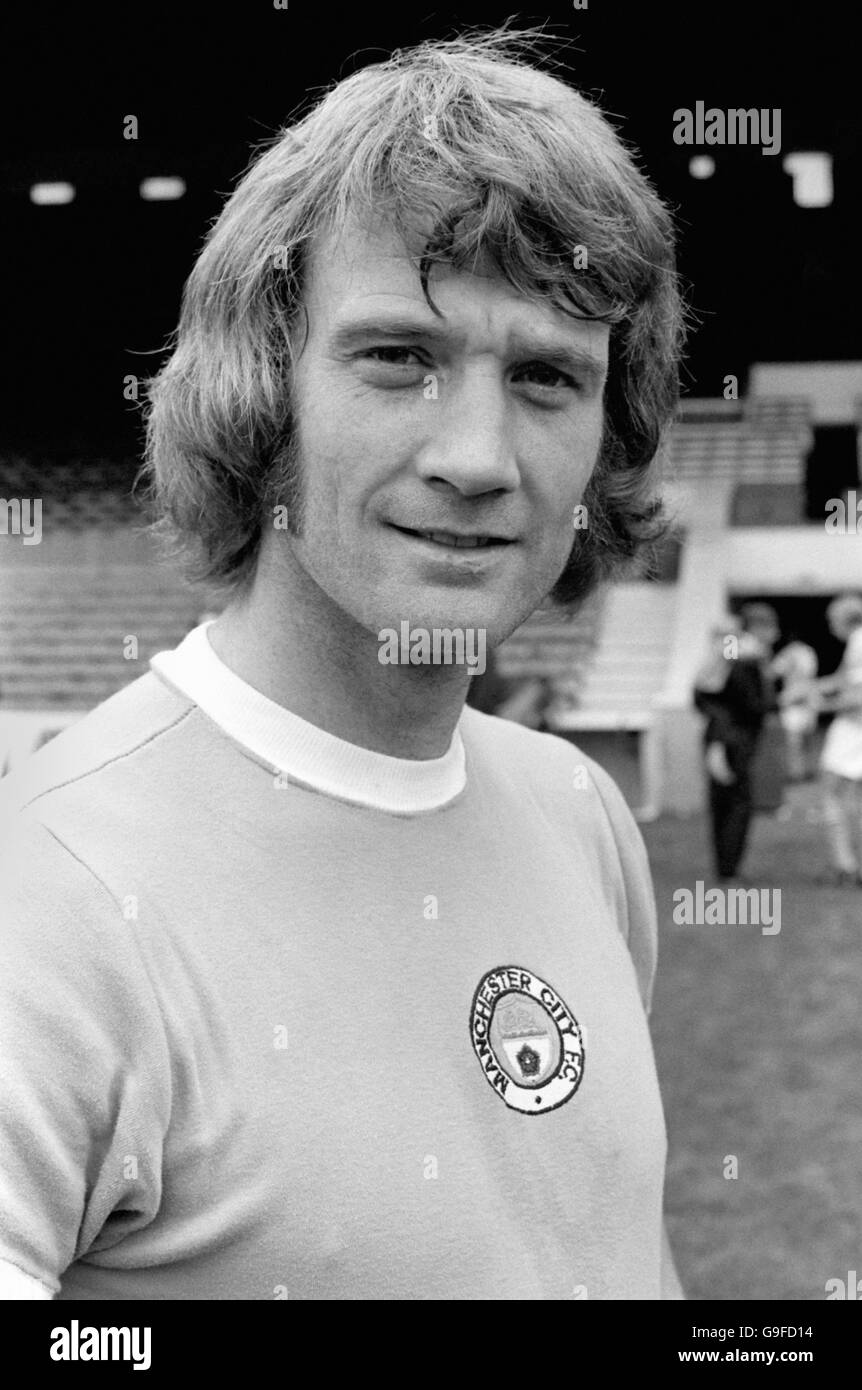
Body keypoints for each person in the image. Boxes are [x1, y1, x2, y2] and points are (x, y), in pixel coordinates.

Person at [0, 29, 686, 1300]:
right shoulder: (52, 894)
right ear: (264, 392)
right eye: (398, 359)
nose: (475, 456)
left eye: (545, 377)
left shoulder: (580, 816)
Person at [694, 606, 778, 881]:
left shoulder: (731, 655)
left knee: (725, 803)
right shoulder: (739, 654)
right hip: (731, 739)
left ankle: (726, 868)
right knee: (735, 804)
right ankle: (729, 869)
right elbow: (749, 699)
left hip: (723, 737)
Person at [815, 593, 862, 886]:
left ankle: (845, 864)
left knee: (832, 793)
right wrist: (815, 687)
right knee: (853, 799)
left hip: (853, 730)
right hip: (854, 728)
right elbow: (844, 679)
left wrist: (819, 705)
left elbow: (857, 695)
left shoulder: (859, 642)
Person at [770, 632, 819, 782]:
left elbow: (772, 673)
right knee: (802, 740)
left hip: (797, 698)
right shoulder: (807, 651)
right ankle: (804, 771)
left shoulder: (793, 652)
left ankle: (798, 772)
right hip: (804, 698)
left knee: (796, 741)